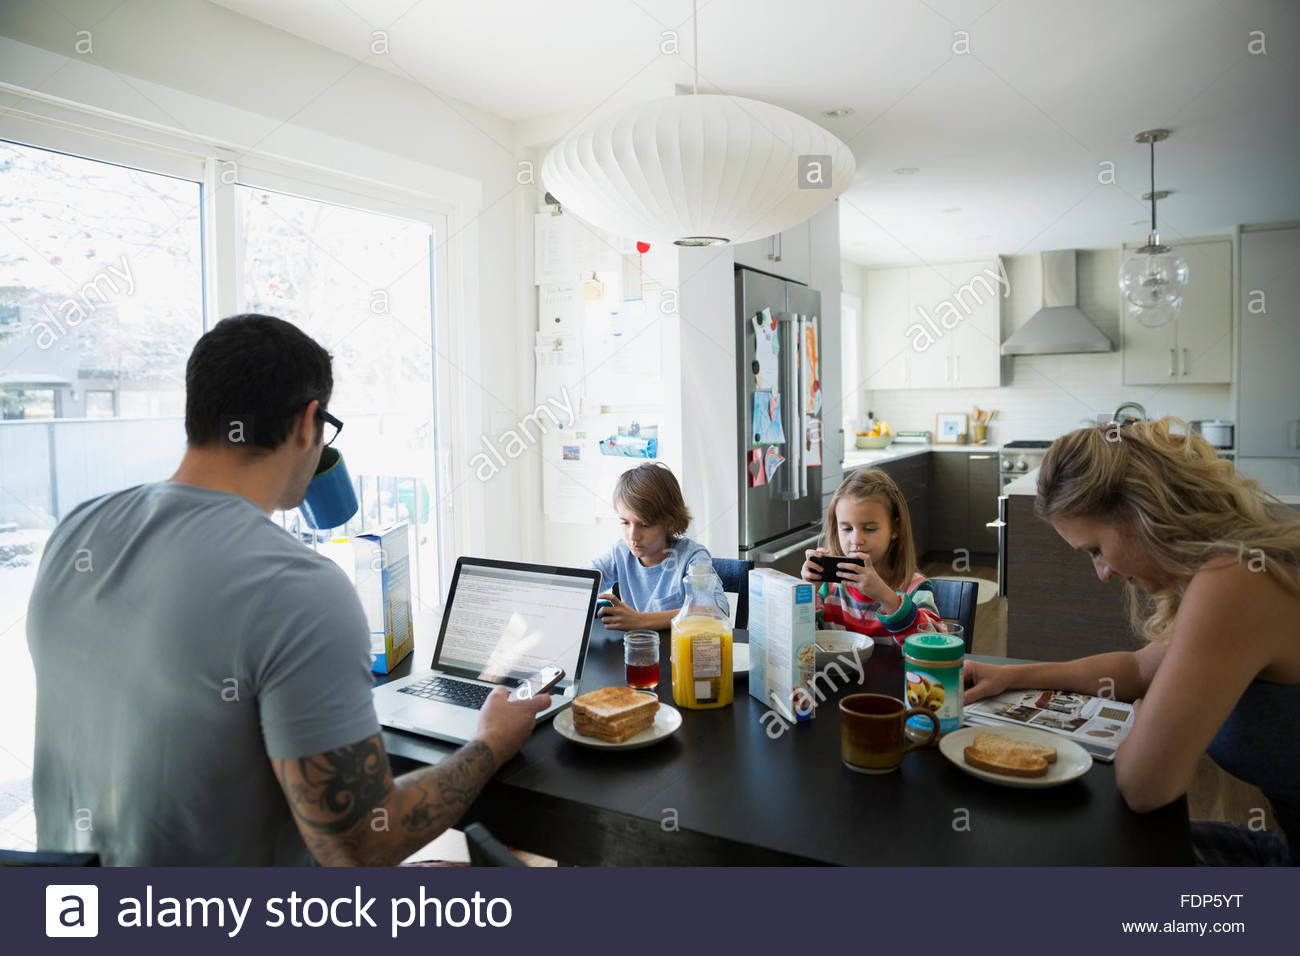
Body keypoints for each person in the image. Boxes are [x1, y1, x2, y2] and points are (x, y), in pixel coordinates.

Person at [26, 314, 548, 866]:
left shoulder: (77, 532)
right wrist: (489, 744)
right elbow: (358, 844)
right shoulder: (297, 585)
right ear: (308, 425)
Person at [963, 418, 1300, 865]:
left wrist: (1142, 722)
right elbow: (1142, 669)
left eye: (1096, 550)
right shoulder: (1231, 570)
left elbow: (1145, 786)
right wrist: (1015, 675)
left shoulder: (1238, 581)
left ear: (1142, 512)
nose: (1102, 574)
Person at [801, 468, 941, 644]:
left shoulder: (915, 589)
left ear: (895, 529)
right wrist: (806, 592)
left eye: (869, 529)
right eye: (846, 528)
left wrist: (886, 597)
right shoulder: (829, 589)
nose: (856, 540)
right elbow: (805, 644)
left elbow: (936, 645)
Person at [591, 463, 725, 630]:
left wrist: (640, 620)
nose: (633, 536)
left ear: (668, 523)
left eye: (644, 524)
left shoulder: (691, 557)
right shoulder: (620, 552)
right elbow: (582, 581)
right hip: (639, 649)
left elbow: (717, 610)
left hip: (679, 653)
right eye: (625, 522)